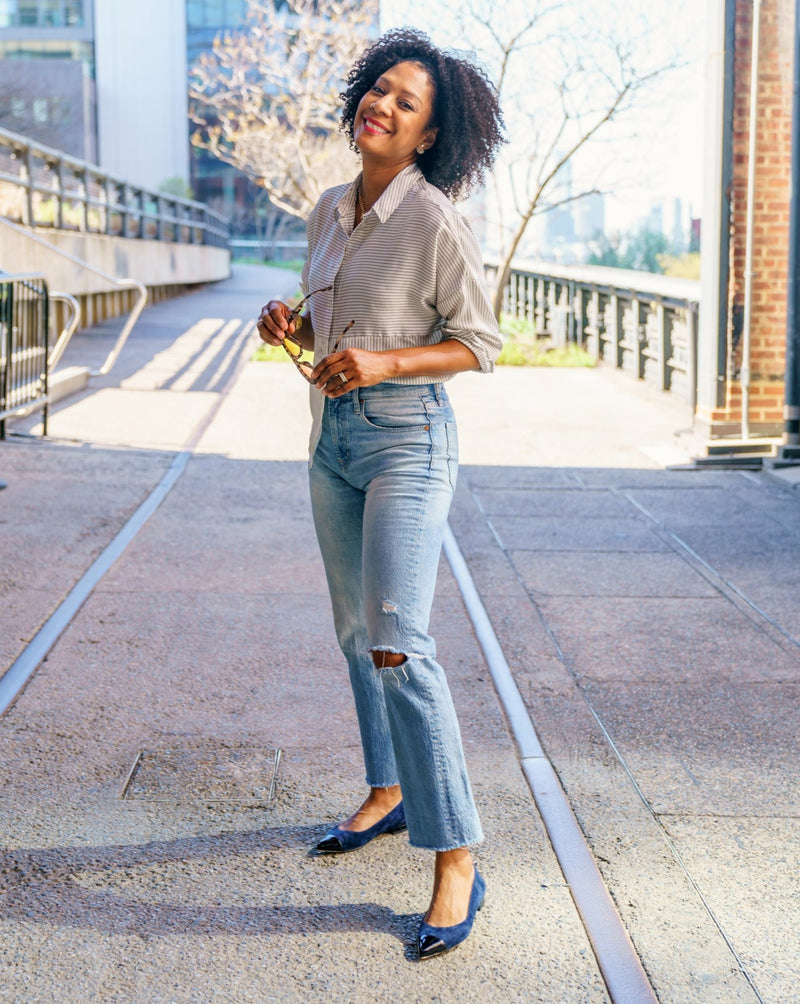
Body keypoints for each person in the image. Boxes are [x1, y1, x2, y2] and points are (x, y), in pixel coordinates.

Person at [257, 27, 504, 960]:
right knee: (357, 634)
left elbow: (478, 344)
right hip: (334, 443)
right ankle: (389, 788)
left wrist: (383, 361)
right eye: (380, 89)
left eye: (407, 103)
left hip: (409, 440)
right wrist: (291, 316)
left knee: (400, 642)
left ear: (428, 137)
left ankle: (457, 854)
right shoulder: (329, 207)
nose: (384, 105)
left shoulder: (435, 219)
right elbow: (326, 309)